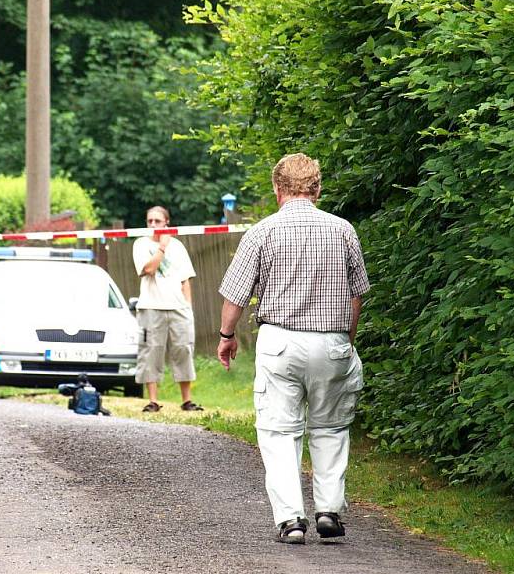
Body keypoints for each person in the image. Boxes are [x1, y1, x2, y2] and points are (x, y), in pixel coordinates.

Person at [216, 153, 369, 544]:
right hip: (332, 341)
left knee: (279, 432)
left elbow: (235, 295)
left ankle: (290, 520)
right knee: (331, 427)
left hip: (280, 342)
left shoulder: (261, 233)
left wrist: (226, 335)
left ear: (276, 188)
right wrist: (345, 342)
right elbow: (356, 296)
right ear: (317, 188)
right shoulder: (343, 230)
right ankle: (329, 511)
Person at [132, 206, 203, 413]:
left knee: (183, 349)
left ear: (166, 223)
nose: (153, 225)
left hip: (178, 307)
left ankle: (187, 400)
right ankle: (153, 401)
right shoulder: (141, 244)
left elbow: (185, 279)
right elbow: (149, 269)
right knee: (152, 351)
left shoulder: (178, 246)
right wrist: (162, 248)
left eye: (157, 221)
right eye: (150, 221)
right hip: (151, 306)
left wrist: (188, 308)